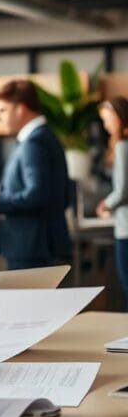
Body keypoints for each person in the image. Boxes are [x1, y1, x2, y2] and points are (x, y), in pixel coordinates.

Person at [0, 79, 71, 270]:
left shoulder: (33, 143)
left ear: (20, 109)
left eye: (3, 111)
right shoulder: (42, 137)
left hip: (31, 247)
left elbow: (37, 194)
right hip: (35, 245)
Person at [97, 97, 128, 306]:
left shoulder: (122, 146)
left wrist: (105, 204)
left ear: (120, 117)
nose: (106, 125)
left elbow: (122, 190)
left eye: (107, 119)